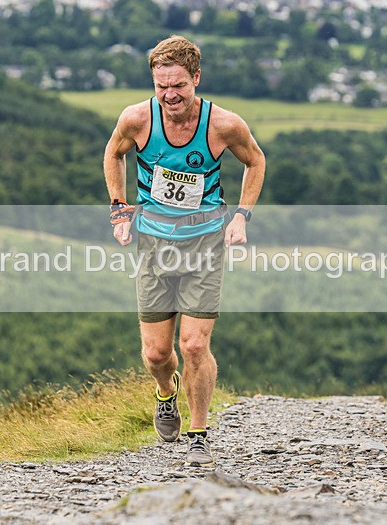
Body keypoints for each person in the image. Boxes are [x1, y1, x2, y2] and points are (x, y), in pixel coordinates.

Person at [103, 35, 265, 467]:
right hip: (154, 244)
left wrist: (242, 216)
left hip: (205, 243)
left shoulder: (223, 124)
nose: (170, 95)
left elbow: (255, 161)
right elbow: (114, 153)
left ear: (197, 78)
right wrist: (119, 208)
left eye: (179, 85)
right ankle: (165, 391)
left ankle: (198, 432)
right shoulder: (137, 119)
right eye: (162, 87)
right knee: (158, 354)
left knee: (194, 345)